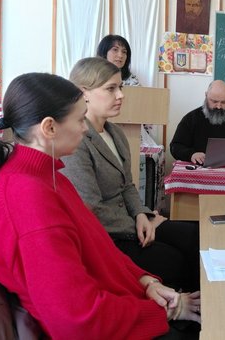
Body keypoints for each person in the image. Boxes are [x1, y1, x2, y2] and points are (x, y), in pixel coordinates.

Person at [0, 72, 201, 339]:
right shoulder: (27, 199)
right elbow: (77, 322)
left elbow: (101, 248)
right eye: (80, 119)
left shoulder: (49, 175)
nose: (85, 128)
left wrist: (145, 281)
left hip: (119, 306)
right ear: (49, 128)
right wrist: (166, 312)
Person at [61, 57, 201, 296]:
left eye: (121, 87)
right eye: (111, 89)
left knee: (195, 237)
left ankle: (202, 303)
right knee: (175, 261)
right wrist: (140, 223)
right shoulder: (77, 141)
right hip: (109, 237)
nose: (121, 95)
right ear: (84, 93)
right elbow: (91, 208)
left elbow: (127, 185)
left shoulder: (116, 133)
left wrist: (141, 214)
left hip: (131, 221)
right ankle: (185, 308)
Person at [170, 80, 225, 165]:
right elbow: (175, 146)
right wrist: (191, 154)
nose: (219, 106)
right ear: (206, 95)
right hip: (199, 170)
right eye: (214, 101)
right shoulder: (191, 118)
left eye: (224, 102)